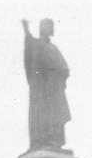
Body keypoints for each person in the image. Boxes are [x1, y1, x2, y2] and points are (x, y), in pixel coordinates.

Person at [22, 18, 71, 150]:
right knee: (43, 114)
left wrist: (61, 72)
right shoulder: (37, 44)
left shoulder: (53, 47)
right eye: (47, 26)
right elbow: (30, 46)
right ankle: (43, 141)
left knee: (55, 115)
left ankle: (54, 140)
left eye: (51, 26)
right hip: (42, 88)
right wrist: (26, 31)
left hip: (54, 88)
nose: (50, 29)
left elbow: (64, 67)